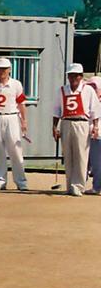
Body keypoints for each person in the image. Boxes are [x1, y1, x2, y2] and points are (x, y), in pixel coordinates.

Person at [51, 63, 100, 197]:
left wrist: (95, 126)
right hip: (66, 122)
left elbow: (95, 110)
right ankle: (70, 185)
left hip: (82, 123)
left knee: (81, 155)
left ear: (81, 76)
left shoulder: (88, 90)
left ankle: (78, 186)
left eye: (76, 76)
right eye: (70, 75)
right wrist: (54, 127)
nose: (73, 78)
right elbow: (56, 110)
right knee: (68, 155)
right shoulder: (62, 90)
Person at [0, 57, 28, 192]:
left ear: (9, 70)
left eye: (4, 69)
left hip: (11, 117)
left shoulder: (16, 84)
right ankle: (0, 180)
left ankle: (21, 181)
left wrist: (24, 121)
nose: (1, 71)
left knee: (15, 150)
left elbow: (21, 103)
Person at [86, 76, 101, 195]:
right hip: (92, 135)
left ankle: (97, 187)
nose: (92, 90)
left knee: (97, 164)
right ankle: (96, 186)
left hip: (97, 135)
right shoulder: (88, 101)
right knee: (96, 164)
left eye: (94, 87)